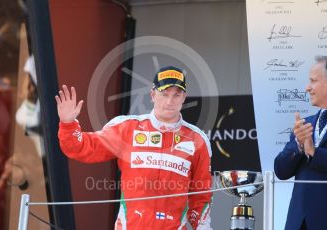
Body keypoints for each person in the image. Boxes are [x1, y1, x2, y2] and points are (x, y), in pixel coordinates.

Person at [56, 66, 213, 230]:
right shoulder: (127, 128)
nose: (169, 101)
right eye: (164, 94)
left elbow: (201, 195)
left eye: (176, 95)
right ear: (153, 95)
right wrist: (68, 124)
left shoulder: (197, 140)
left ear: (184, 97)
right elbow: (81, 148)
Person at [274, 56, 327, 230]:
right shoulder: (305, 125)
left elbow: (315, 154)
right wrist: (298, 143)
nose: (307, 87)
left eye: (313, 81)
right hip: (298, 222)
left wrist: (313, 152)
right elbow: (280, 171)